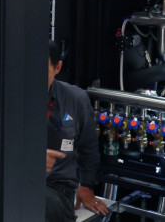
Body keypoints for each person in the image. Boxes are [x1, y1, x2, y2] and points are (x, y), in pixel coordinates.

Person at [46, 40, 109, 221]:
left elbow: (88, 147)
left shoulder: (75, 99)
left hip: (57, 185)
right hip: (16, 179)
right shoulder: (9, 97)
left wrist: (86, 186)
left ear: (58, 67)